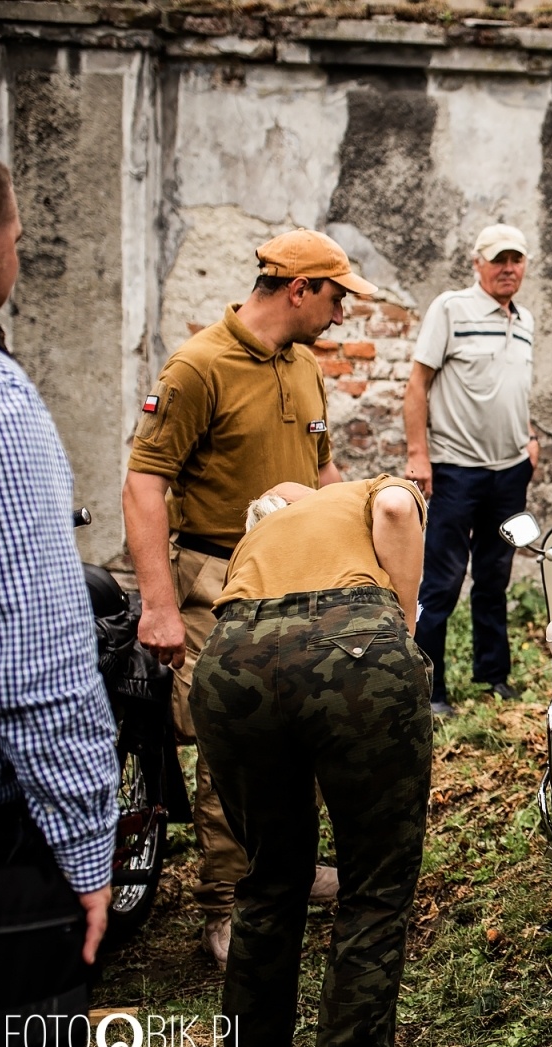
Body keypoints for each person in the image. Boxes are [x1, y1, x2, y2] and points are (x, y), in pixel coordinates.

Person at [123, 229, 376, 967]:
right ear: (299, 289)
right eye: (336, 296)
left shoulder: (303, 365)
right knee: (230, 746)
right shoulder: (198, 366)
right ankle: (226, 905)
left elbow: (322, 471)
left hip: (301, 580)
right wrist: (160, 605)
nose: (342, 314)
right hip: (217, 581)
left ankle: (288, 870)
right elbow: (144, 484)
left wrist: (366, 522)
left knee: (308, 726)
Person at [193, 475, 430, 1047]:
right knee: (375, 887)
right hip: (352, 641)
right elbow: (400, 508)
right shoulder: (362, 490)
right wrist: (403, 625)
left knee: (268, 879)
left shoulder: (254, 545)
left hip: (231, 655)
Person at [0, 160, 118, 1047]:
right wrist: (87, 848)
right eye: (17, 231)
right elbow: (37, 666)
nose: (22, 247)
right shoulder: (3, 409)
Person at [404, 223, 540, 717]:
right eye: (499, 259)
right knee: (441, 581)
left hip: (509, 473)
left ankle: (493, 676)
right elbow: (418, 384)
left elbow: (514, 388)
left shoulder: (524, 319)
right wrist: (419, 455)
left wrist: (529, 437)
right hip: (456, 470)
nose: (509, 268)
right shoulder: (451, 309)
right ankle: (430, 688)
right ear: (477, 263)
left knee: (494, 576)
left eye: (517, 259)